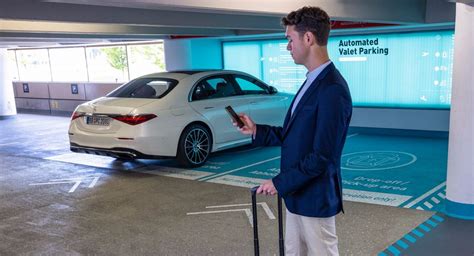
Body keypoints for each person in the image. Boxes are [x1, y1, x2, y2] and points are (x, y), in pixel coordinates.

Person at [234, 6, 352, 256]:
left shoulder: (332, 89)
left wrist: (279, 183)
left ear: (308, 38)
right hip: (297, 194)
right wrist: (257, 130)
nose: (288, 46)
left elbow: (322, 156)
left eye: (290, 39)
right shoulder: (312, 80)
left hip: (315, 197)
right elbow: (295, 136)